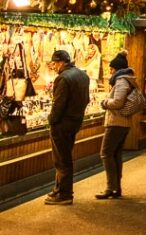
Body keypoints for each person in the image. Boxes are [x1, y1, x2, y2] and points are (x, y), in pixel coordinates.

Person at [45, 49, 90, 205]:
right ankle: (59, 189)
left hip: (62, 124)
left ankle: (64, 194)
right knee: (65, 156)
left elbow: (58, 104)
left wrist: (52, 120)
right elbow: (86, 99)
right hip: (75, 122)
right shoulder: (83, 75)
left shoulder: (63, 78)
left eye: (55, 63)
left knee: (61, 159)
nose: (54, 67)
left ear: (61, 62)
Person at [95, 50, 136, 199]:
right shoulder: (125, 80)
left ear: (117, 69)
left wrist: (105, 103)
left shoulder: (121, 81)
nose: (109, 71)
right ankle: (116, 188)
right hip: (122, 123)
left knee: (106, 153)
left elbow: (118, 102)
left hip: (117, 122)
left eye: (111, 69)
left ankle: (110, 187)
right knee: (115, 154)